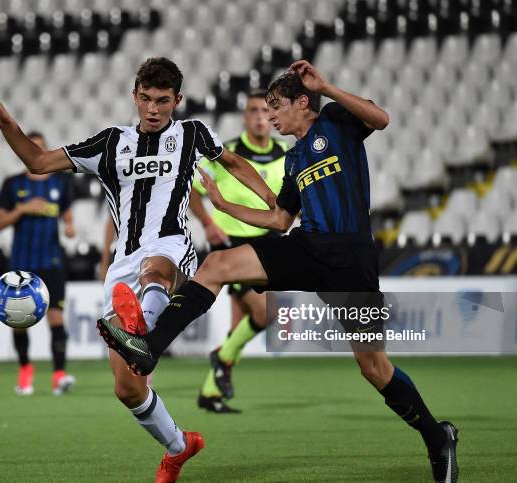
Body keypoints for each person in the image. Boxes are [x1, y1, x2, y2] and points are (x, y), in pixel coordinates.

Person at [100, 61, 459, 483]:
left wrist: (326, 85)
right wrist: (222, 204)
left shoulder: (337, 121)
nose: (270, 117)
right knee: (217, 264)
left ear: (303, 102)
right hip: (306, 248)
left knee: (374, 368)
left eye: (276, 107)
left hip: (351, 260)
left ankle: (438, 438)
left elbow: (382, 118)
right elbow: (280, 219)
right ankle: (148, 346)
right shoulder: (294, 160)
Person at [0, 57, 275, 482]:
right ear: (134, 96)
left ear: (177, 101)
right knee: (127, 387)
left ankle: (141, 332)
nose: (152, 109)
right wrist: (5, 124)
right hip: (122, 264)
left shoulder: (192, 134)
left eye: (162, 101)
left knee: (157, 270)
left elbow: (235, 163)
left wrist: (270, 201)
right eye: (145, 99)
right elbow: (38, 162)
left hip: (171, 247)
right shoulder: (110, 144)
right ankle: (178, 447)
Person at [189, 89, 289, 413]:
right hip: (230, 244)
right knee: (265, 314)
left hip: (268, 243)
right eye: (253, 110)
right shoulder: (227, 154)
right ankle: (222, 358)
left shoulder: (286, 153)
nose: (260, 116)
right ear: (245, 116)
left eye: (265, 110)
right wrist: (207, 223)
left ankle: (210, 392)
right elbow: (191, 190)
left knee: (243, 324)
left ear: (272, 116)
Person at [0, 131, 77, 396]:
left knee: (56, 318)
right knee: (19, 320)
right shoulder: (12, 185)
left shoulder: (60, 184)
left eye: (40, 148)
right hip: (21, 265)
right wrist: (22, 209)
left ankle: (59, 376)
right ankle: (25, 372)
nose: (36, 152)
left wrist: (69, 226)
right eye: (32, 148)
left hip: (51, 260)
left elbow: (67, 216)